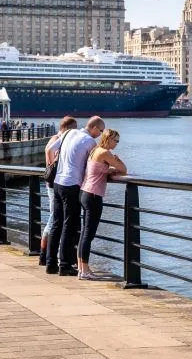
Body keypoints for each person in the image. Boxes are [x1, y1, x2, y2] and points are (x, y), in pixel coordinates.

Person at [45, 116, 105, 276]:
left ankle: (50, 264)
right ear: (94, 128)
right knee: (68, 225)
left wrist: (55, 167)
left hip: (57, 182)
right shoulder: (90, 142)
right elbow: (92, 165)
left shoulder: (69, 133)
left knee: (57, 223)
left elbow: (50, 149)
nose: (100, 134)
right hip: (72, 185)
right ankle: (64, 265)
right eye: (100, 131)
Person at [78, 129, 126, 279]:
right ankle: (85, 271)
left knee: (84, 233)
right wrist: (117, 161)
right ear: (109, 139)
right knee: (88, 234)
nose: (117, 143)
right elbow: (124, 170)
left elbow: (98, 169)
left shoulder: (95, 150)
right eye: (116, 141)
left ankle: (82, 269)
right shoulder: (106, 153)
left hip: (84, 192)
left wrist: (108, 169)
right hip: (93, 195)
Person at [38, 116, 78, 266]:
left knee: (54, 217)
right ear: (69, 127)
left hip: (53, 182)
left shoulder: (59, 137)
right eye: (75, 127)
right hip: (54, 182)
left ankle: (46, 255)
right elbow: (49, 149)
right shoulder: (59, 137)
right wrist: (52, 164)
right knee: (54, 218)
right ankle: (44, 255)